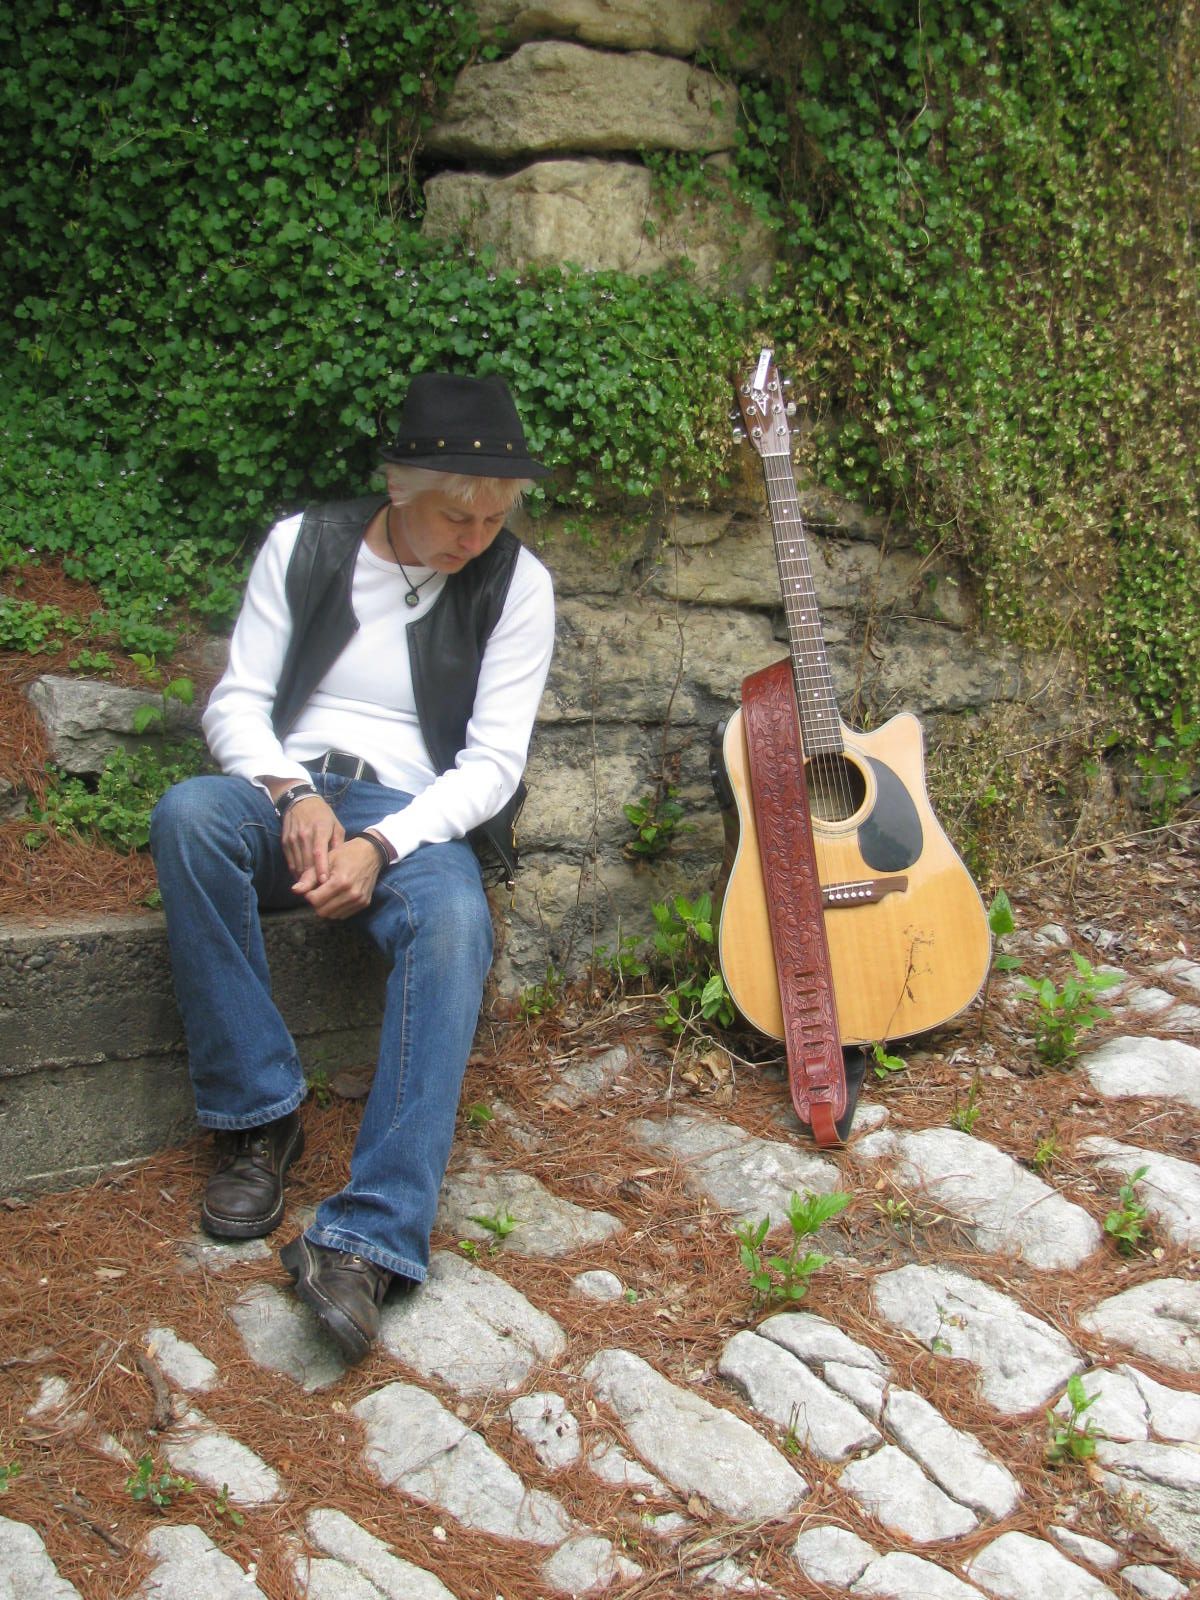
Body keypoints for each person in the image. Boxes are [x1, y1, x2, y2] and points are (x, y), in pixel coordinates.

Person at [150, 372, 555, 1363]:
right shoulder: (308, 544)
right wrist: (291, 791)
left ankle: (369, 1236)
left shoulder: (519, 584)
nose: (476, 537)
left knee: (456, 922)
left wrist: (382, 844)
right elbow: (237, 702)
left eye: (495, 517)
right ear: (398, 487)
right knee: (189, 816)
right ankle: (258, 1118)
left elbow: (493, 764)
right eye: (458, 515)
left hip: (411, 814)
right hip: (285, 792)